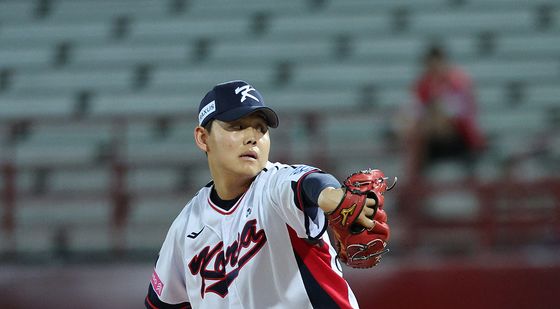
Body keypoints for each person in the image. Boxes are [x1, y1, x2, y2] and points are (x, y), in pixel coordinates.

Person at [144, 80, 390, 308]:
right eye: (237, 126)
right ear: (202, 137)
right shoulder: (185, 227)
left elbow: (309, 184)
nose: (252, 138)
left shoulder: (273, 186)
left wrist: (333, 198)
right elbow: (161, 303)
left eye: (261, 129)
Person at [404, 44, 486, 176]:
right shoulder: (422, 86)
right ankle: (415, 184)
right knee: (415, 136)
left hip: (460, 138)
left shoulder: (458, 82)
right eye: (431, 66)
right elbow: (413, 114)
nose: (434, 70)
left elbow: (459, 114)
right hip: (432, 139)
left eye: (437, 65)